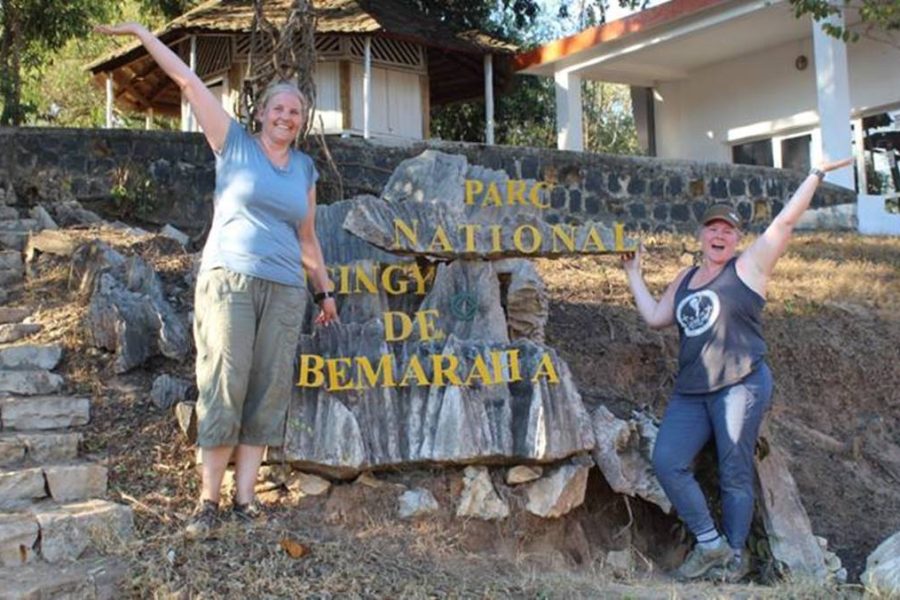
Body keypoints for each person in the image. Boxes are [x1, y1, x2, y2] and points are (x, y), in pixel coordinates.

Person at [95, 23, 339, 538]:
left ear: (302, 120)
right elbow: (186, 79)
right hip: (229, 279)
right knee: (225, 380)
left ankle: (245, 499)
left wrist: (325, 291)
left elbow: (309, 239)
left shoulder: (305, 170)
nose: (286, 116)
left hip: (286, 289)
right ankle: (209, 500)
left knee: (269, 388)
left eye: (295, 111)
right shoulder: (232, 142)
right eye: (278, 108)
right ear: (261, 112)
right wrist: (141, 32)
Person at [621, 158, 853, 581]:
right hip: (692, 390)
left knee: (734, 470)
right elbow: (656, 317)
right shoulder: (686, 277)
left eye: (728, 230)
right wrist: (633, 273)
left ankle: (732, 557)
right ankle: (709, 544)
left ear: (737, 239)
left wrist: (815, 175)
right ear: (700, 235)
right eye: (713, 228)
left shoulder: (748, 268)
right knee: (668, 460)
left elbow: (783, 224)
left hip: (741, 383)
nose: (720, 234)